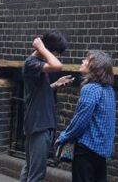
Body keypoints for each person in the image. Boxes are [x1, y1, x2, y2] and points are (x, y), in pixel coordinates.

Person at [20, 31, 73, 182]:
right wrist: (41, 48)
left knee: (29, 170)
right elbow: (58, 65)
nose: (57, 56)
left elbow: (36, 92)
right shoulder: (32, 63)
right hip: (39, 124)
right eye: (56, 53)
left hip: (37, 123)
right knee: (36, 175)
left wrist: (55, 85)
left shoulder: (36, 65)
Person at [56, 50, 116, 182]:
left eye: (87, 60)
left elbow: (80, 121)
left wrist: (63, 137)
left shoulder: (90, 89)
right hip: (101, 153)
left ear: (95, 67)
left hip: (86, 152)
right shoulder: (109, 90)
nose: (83, 61)